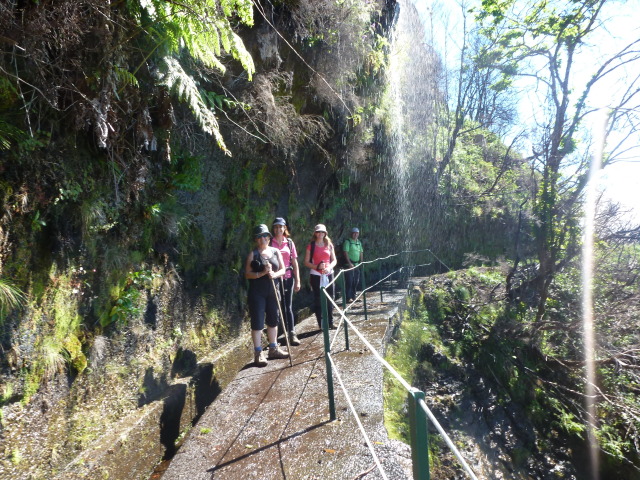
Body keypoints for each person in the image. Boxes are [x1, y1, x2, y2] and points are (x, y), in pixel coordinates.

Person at [244, 224, 290, 367]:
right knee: (257, 322)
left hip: (273, 290)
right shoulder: (253, 254)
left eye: (265, 236)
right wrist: (262, 273)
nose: (262, 239)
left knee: (273, 320)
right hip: (257, 292)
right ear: (256, 240)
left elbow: (283, 269)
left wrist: (274, 274)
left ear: (269, 238)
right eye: (259, 237)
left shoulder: (276, 251)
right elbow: (247, 274)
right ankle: (258, 353)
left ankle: (273, 348)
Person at [270, 217, 301, 346]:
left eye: (280, 227)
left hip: (288, 277)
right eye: (276, 227)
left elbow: (294, 262)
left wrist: (298, 280)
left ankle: (292, 333)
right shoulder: (269, 243)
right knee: (275, 307)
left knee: (288, 307)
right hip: (275, 280)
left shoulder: (289, 243)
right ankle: (274, 338)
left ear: (284, 228)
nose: (278, 229)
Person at [303, 224, 337, 330]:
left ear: (325, 233)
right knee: (318, 300)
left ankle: (330, 322)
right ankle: (321, 324)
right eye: (318, 232)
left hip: (329, 274)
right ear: (315, 233)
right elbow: (306, 262)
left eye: (322, 232)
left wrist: (329, 267)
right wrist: (317, 267)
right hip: (316, 275)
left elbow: (334, 260)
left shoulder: (329, 245)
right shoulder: (311, 246)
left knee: (330, 298)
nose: (320, 234)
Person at [342, 227, 364, 302]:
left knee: (356, 280)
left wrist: (361, 262)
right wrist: (349, 263)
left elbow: (361, 252)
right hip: (349, 264)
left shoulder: (359, 242)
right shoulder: (347, 242)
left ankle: (354, 296)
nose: (355, 234)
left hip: (357, 264)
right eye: (354, 233)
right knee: (349, 280)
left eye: (357, 233)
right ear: (351, 233)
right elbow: (345, 252)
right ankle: (348, 297)